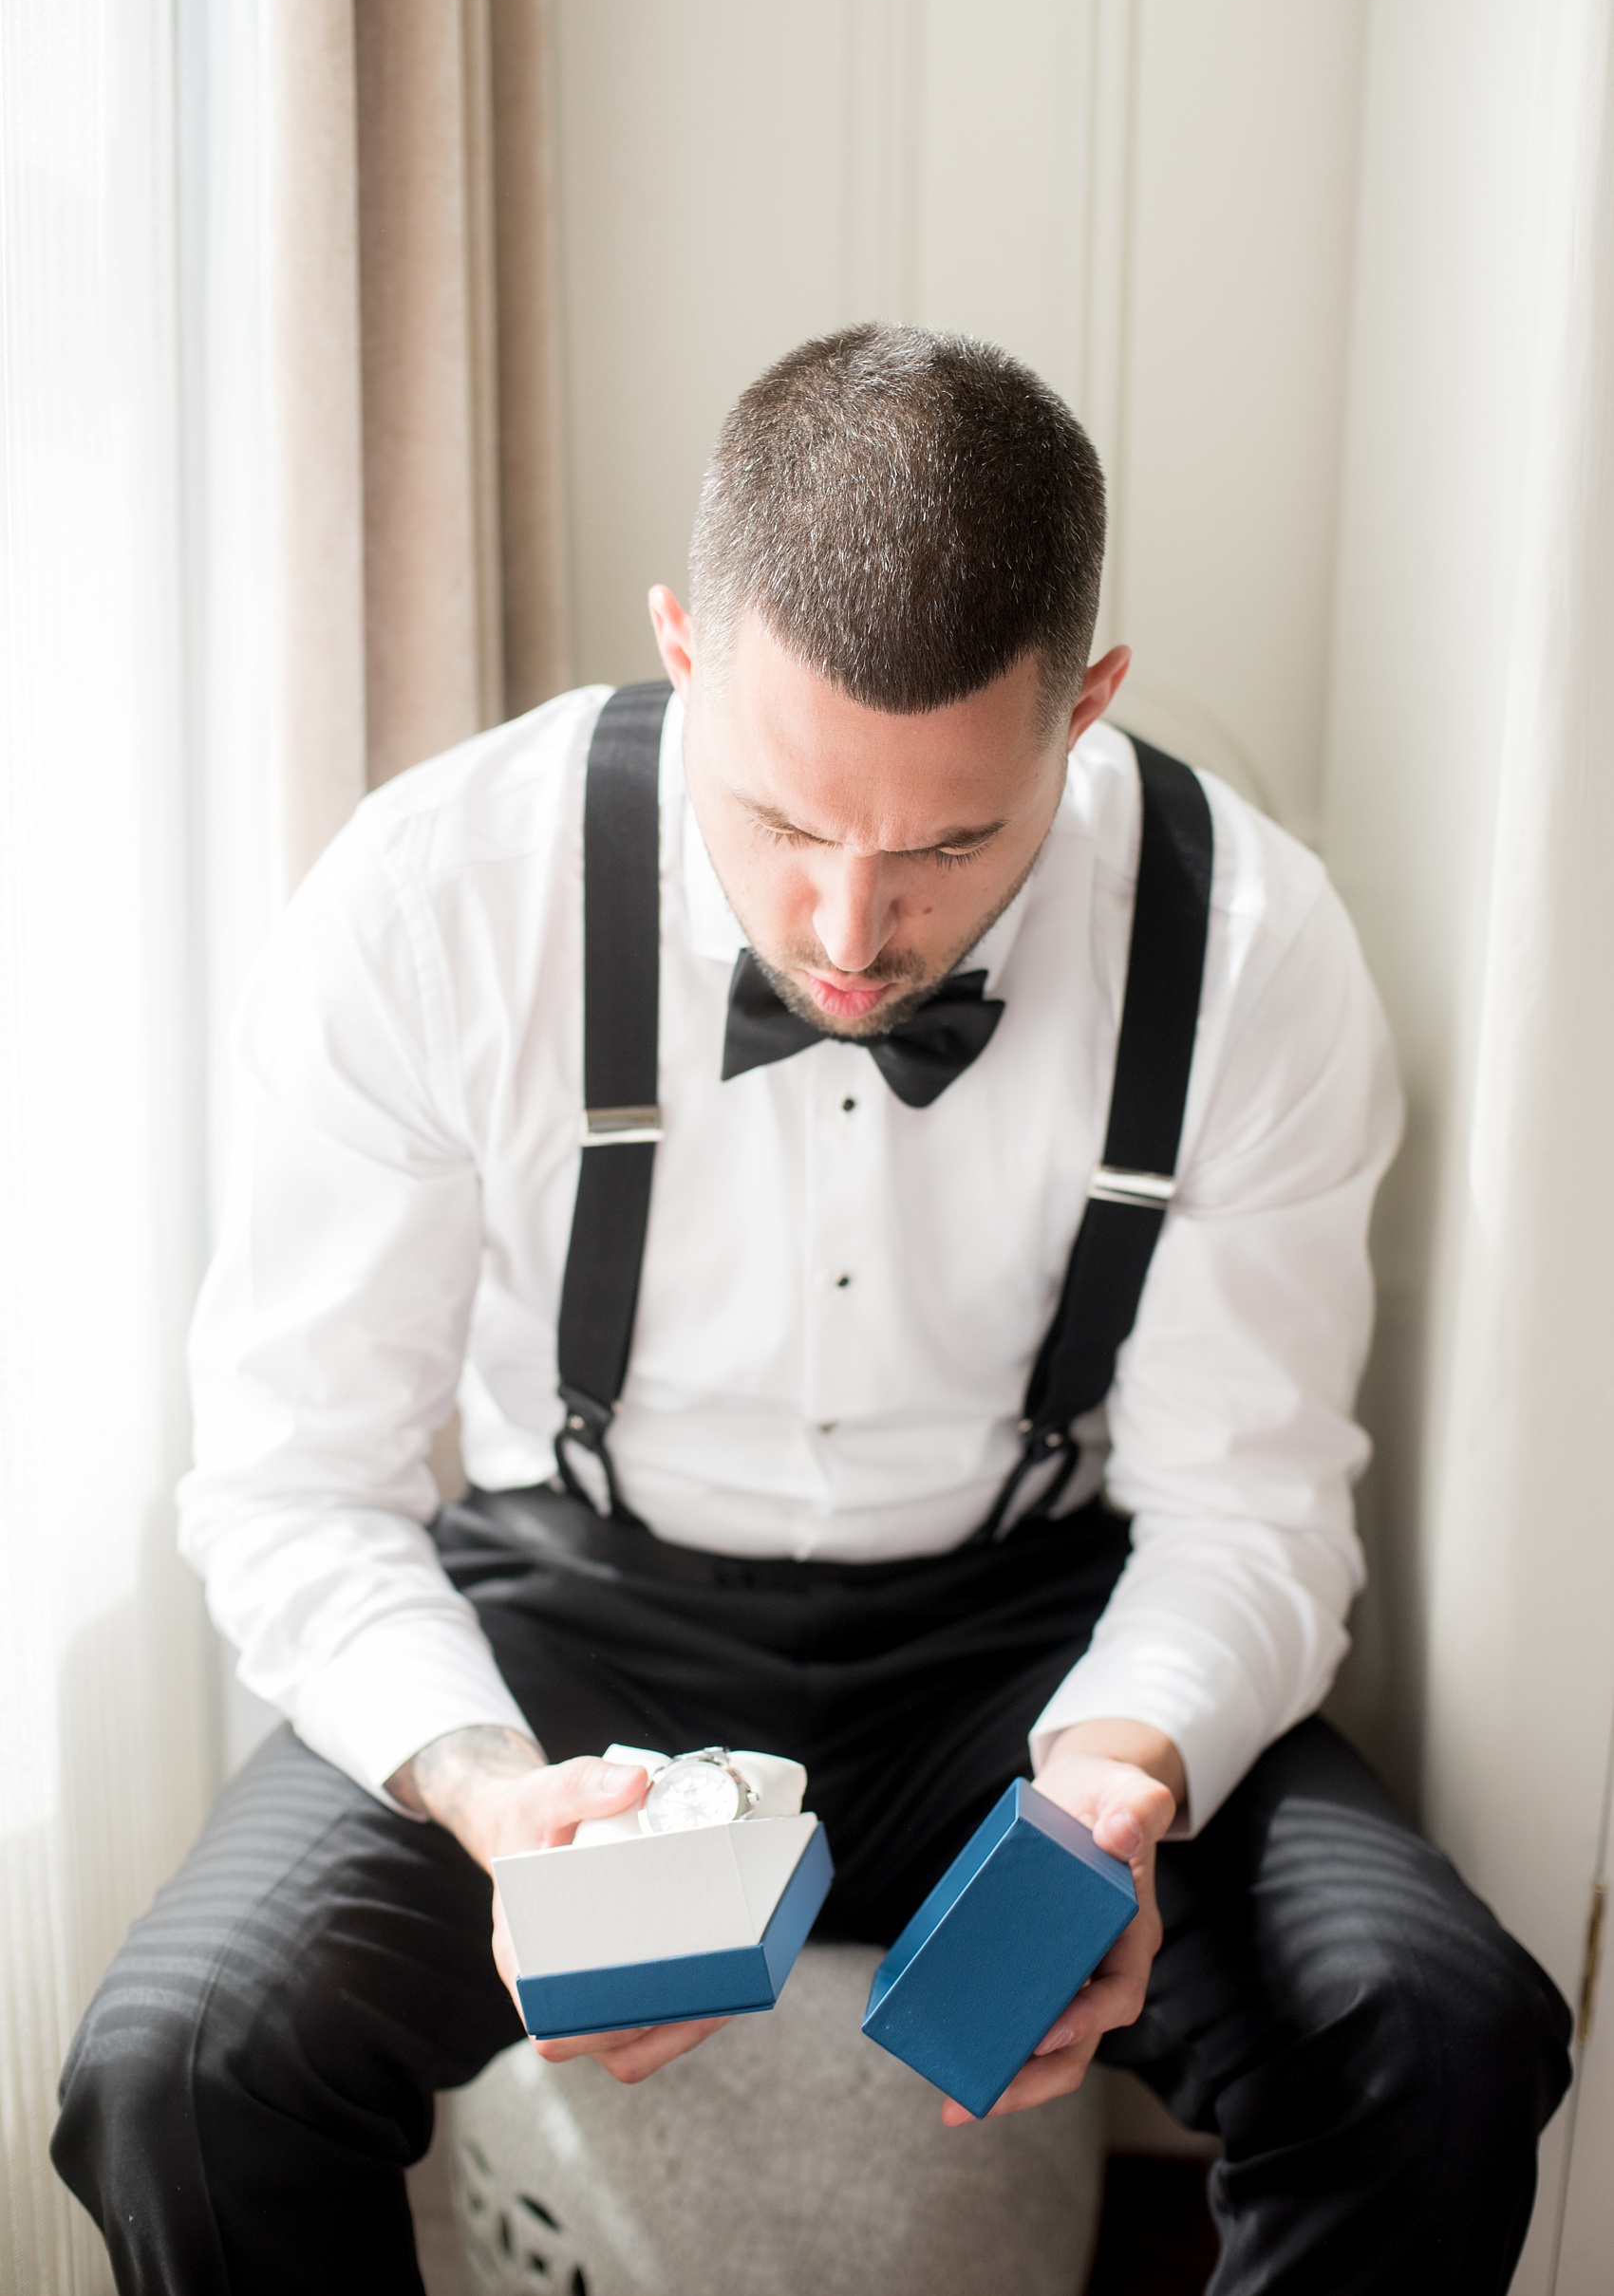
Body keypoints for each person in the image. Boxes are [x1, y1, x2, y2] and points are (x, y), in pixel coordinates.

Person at [54, 325, 1569, 2294]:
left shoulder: (1252, 947)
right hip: (573, 1621)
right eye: (784, 822)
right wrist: (495, 1798)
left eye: (948, 841)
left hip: (1036, 1637)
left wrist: (1121, 1765)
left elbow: (1251, 1503)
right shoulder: (436, 897)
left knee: (1437, 2033)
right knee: (182, 2065)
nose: (852, 934)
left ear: (1086, 708)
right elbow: (289, 1480)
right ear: (684, 649)